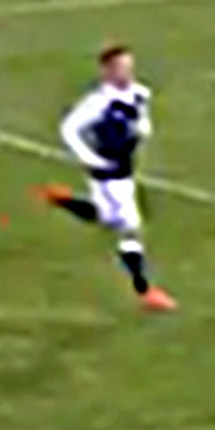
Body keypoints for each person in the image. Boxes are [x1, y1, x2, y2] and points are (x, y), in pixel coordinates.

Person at [37, 45, 176, 312]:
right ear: (108, 71)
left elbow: (142, 117)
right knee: (130, 227)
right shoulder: (98, 102)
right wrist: (89, 158)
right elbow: (69, 128)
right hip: (107, 172)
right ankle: (145, 290)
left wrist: (143, 128)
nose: (127, 72)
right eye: (120, 67)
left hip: (126, 167)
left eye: (129, 66)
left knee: (107, 218)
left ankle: (61, 199)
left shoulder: (139, 93)